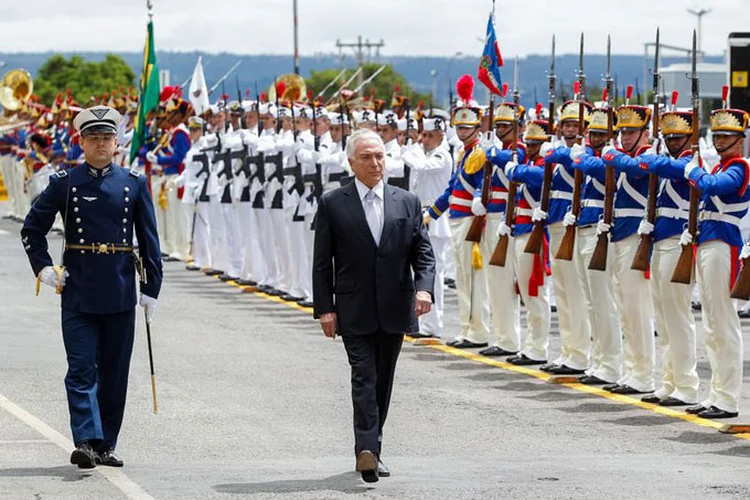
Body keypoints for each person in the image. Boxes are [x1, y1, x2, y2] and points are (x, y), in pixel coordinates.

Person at [21, 105, 163, 468]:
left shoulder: (133, 183)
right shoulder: (65, 184)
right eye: (93, 138)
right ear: (80, 142)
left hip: (119, 290)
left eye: (107, 138)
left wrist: (151, 288)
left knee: (115, 373)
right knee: (82, 368)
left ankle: (105, 444)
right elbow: (31, 229)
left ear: (117, 142)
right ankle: (85, 440)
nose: (101, 144)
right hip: (79, 290)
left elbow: (149, 240)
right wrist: (44, 268)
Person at [313, 129, 435, 483]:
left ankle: (373, 446)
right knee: (363, 377)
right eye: (366, 157)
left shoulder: (407, 202)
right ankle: (365, 450)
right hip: (353, 306)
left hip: (395, 305)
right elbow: (323, 262)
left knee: (383, 380)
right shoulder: (334, 203)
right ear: (351, 162)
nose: (375, 163)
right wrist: (325, 308)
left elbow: (423, 253)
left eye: (380, 155)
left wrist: (424, 290)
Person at [683, 104, 750, 419]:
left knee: (723, 324)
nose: (721, 140)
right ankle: (716, 395)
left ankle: (727, 399)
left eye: (728, 135)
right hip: (709, 245)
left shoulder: (739, 167)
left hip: (724, 246)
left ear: (740, 139)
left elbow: (712, 187)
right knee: (711, 325)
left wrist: (693, 170)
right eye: (718, 135)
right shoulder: (721, 166)